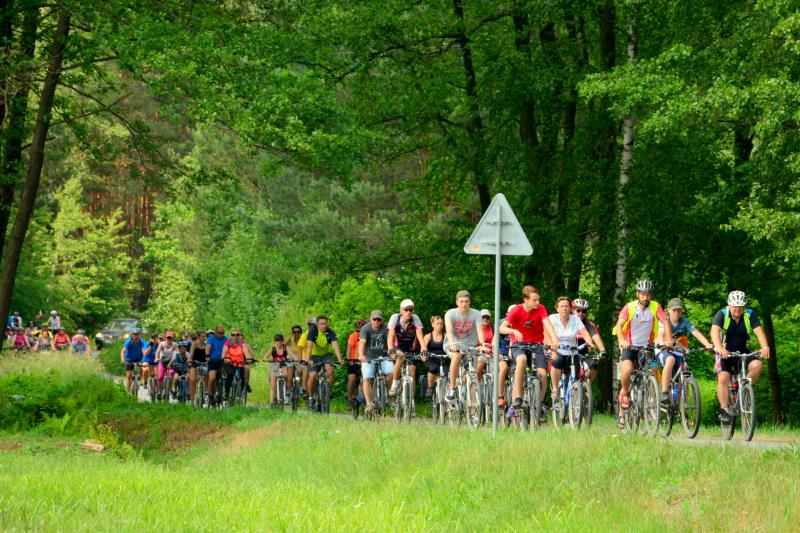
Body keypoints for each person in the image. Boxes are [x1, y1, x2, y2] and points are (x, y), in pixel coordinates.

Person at [613, 279, 673, 427]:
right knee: (627, 369)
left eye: (648, 295)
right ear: (637, 294)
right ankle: (625, 395)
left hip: (647, 346)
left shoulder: (655, 306)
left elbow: (665, 322)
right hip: (630, 345)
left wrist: (668, 339)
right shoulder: (629, 307)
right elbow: (619, 325)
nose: (646, 297)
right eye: (643, 294)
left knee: (653, 370)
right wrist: (622, 340)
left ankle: (651, 403)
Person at [499, 286, 559, 421]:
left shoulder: (541, 308)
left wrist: (555, 340)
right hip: (519, 344)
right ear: (526, 300)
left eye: (538, 299)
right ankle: (518, 397)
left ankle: (540, 404)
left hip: (536, 344)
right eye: (534, 300)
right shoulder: (516, 310)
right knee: (521, 359)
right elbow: (501, 328)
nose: (538, 302)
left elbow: (548, 325)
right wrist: (513, 331)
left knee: (542, 373)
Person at [710, 290, 770, 423]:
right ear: (729, 305)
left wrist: (765, 347)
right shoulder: (722, 314)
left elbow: (759, 331)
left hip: (742, 350)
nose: (738, 309)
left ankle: (744, 390)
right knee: (723, 377)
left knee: (757, 365)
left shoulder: (750, 314)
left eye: (741, 306)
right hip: (725, 352)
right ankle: (724, 409)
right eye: (735, 306)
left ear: (744, 306)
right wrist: (719, 348)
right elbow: (714, 331)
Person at [656, 298, 713, 406]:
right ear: (669, 310)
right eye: (674, 310)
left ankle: (682, 407)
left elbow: (696, 333)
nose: (677, 313)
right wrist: (665, 342)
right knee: (670, 360)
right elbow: (660, 334)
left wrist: (707, 344)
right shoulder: (664, 320)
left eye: (679, 310)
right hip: (662, 349)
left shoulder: (685, 321)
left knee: (686, 374)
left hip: (678, 350)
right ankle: (664, 393)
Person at [443, 290, 491, 403]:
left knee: (472, 374)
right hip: (454, 344)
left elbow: (480, 330)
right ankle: (452, 389)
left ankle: (473, 408)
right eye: (461, 301)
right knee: (457, 356)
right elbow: (449, 330)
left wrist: (482, 344)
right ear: (457, 302)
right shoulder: (450, 313)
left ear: (469, 302)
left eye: (466, 301)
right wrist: (452, 344)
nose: (464, 304)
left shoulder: (476, 313)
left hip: (470, 346)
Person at [548, 297, 595, 402]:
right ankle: (555, 390)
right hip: (558, 350)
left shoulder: (575, 319)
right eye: (562, 306)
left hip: (572, 352)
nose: (564, 308)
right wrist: (551, 347)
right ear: (557, 309)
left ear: (570, 309)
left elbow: (584, 333)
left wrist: (590, 343)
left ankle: (573, 405)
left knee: (574, 379)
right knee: (556, 363)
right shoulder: (552, 318)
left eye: (567, 306)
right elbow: (547, 333)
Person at [358, 310, 394, 413]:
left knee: (392, 373)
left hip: (384, 357)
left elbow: (390, 341)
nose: (377, 321)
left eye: (379, 319)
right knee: (367, 377)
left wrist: (392, 353)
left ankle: (389, 395)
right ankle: (369, 404)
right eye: (374, 319)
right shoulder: (365, 328)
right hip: (369, 358)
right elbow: (362, 342)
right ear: (370, 319)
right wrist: (361, 355)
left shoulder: (386, 328)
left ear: (382, 320)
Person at [388, 299, 424, 398]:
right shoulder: (395, 318)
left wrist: (423, 348)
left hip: (411, 348)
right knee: (401, 356)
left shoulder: (415, 318)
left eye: (410, 310)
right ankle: (395, 384)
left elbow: (420, 335)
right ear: (401, 310)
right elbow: (390, 335)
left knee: (412, 373)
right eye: (406, 310)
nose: (408, 312)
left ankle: (411, 401)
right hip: (397, 346)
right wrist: (390, 348)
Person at [305, 316, 343, 406]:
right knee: (313, 375)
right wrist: (308, 359)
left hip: (325, 356)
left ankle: (328, 390)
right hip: (313, 356)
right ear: (317, 324)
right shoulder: (312, 332)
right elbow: (309, 347)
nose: (324, 326)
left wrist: (340, 358)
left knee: (330, 369)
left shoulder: (330, 332)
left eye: (325, 324)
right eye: (321, 324)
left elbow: (335, 346)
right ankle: (310, 397)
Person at [572, 298, 607, 382]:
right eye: (578, 310)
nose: (581, 313)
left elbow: (596, 337)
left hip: (583, 353)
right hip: (568, 353)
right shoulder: (566, 322)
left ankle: (585, 386)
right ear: (572, 310)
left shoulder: (589, 325)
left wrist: (603, 350)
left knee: (594, 365)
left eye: (584, 311)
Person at [221, 328, 255, 397]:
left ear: (239, 336)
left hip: (240, 363)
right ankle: (226, 394)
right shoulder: (228, 342)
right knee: (229, 376)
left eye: (237, 335)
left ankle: (240, 394)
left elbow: (245, 351)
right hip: (229, 362)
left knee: (242, 378)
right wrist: (223, 358)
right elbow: (224, 351)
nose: (235, 336)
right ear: (231, 336)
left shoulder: (241, 342)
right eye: (233, 335)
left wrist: (248, 358)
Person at [495, 305, 517, 408]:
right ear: (507, 314)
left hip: (516, 352)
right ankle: (500, 396)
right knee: (503, 368)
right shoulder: (501, 323)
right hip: (502, 352)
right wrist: (497, 352)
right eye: (511, 313)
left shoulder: (522, 324)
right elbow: (495, 340)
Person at [422, 315, 448, 400]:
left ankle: (447, 395)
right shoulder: (428, 336)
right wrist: (424, 354)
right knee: (432, 369)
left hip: (444, 359)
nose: (440, 325)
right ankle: (430, 387)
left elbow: (451, 346)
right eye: (437, 323)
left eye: (441, 323)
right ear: (432, 324)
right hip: (432, 359)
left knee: (448, 374)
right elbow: (423, 348)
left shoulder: (446, 336)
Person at [205, 325, 229, 405]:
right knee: (212, 378)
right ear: (216, 332)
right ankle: (210, 395)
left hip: (224, 361)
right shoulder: (210, 339)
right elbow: (208, 348)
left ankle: (225, 393)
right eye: (219, 333)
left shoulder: (227, 339)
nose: (221, 335)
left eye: (223, 333)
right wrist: (207, 355)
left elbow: (230, 348)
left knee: (228, 376)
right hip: (213, 361)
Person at [345, 320, 366, 408]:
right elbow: (348, 350)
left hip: (364, 360)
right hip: (353, 360)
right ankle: (349, 399)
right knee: (352, 378)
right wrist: (349, 359)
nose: (360, 330)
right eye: (359, 328)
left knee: (366, 378)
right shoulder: (353, 336)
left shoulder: (367, 335)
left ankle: (364, 398)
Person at [266, 334, 289, 408]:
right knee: (273, 384)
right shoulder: (273, 349)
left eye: (280, 340)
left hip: (283, 365)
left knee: (286, 375)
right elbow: (265, 357)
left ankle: (287, 392)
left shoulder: (285, 348)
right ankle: (271, 402)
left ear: (283, 341)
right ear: (275, 341)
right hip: (274, 366)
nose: (279, 342)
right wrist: (267, 360)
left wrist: (295, 359)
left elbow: (293, 355)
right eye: (277, 340)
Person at [120, 329, 146, 393]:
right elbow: (123, 351)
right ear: (132, 335)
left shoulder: (141, 341)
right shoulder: (129, 342)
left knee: (142, 367)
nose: (135, 336)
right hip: (129, 360)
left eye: (137, 334)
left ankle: (139, 379)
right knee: (129, 376)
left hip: (138, 359)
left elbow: (144, 351)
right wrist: (123, 360)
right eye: (134, 334)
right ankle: (128, 392)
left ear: (139, 335)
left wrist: (145, 359)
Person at [156, 332, 179, 397]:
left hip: (171, 362)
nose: (169, 339)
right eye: (168, 338)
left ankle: (170, 388)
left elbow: (176, 354)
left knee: (172, 373)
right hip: (162, 362)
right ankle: (159, 392)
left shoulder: (175, 345)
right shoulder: (162, 344)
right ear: (165, 338)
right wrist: (156, 358)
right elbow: (157, 352)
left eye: (170, 338)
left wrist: (173, 362)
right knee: (160, 377)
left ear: (172, 338)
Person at [286, 324, 307, 395]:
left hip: (299, 359)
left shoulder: (302, 339)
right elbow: (284, 344)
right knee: (290, 374)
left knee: (300, 371)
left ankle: (301, 386)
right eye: (294, 332)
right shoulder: (290, 339)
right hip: (291, 359)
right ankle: (289, 389)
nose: (296, 333)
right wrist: (290, 335)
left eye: (298, 332)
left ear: (300, 332)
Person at [188, 331, 208, 403]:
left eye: (204, 336)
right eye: (202, 336)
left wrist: (209, 359)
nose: (203, 338)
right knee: (192, 380)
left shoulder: (207, 345)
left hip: (204, 363)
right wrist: (189, 360)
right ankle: (192, 400)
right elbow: (191, 355)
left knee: (208, 375)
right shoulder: (194, 344)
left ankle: (206, 389)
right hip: (195, 363)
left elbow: (208, 355)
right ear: (198, 337)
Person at [298, 317, 316, 392]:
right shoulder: (305, 335)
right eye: (310, 325)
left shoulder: (320, 334)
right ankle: (304, 388)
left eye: (313, 326)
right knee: (306, 368)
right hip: (306, 357)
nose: (311, 327)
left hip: (316, 357)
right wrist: (300, 361)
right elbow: (299, 348)